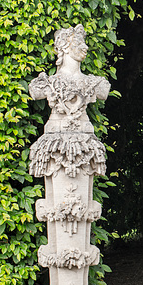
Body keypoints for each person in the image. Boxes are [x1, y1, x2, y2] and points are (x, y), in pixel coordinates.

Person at [29, 25, 109, 178]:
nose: (85, 47)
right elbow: (36, 92)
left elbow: (103, 93)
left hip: (85, 147)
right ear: (64, 46)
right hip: (54, 146)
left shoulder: (95, 83)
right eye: (79, 42)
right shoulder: (46, 83)